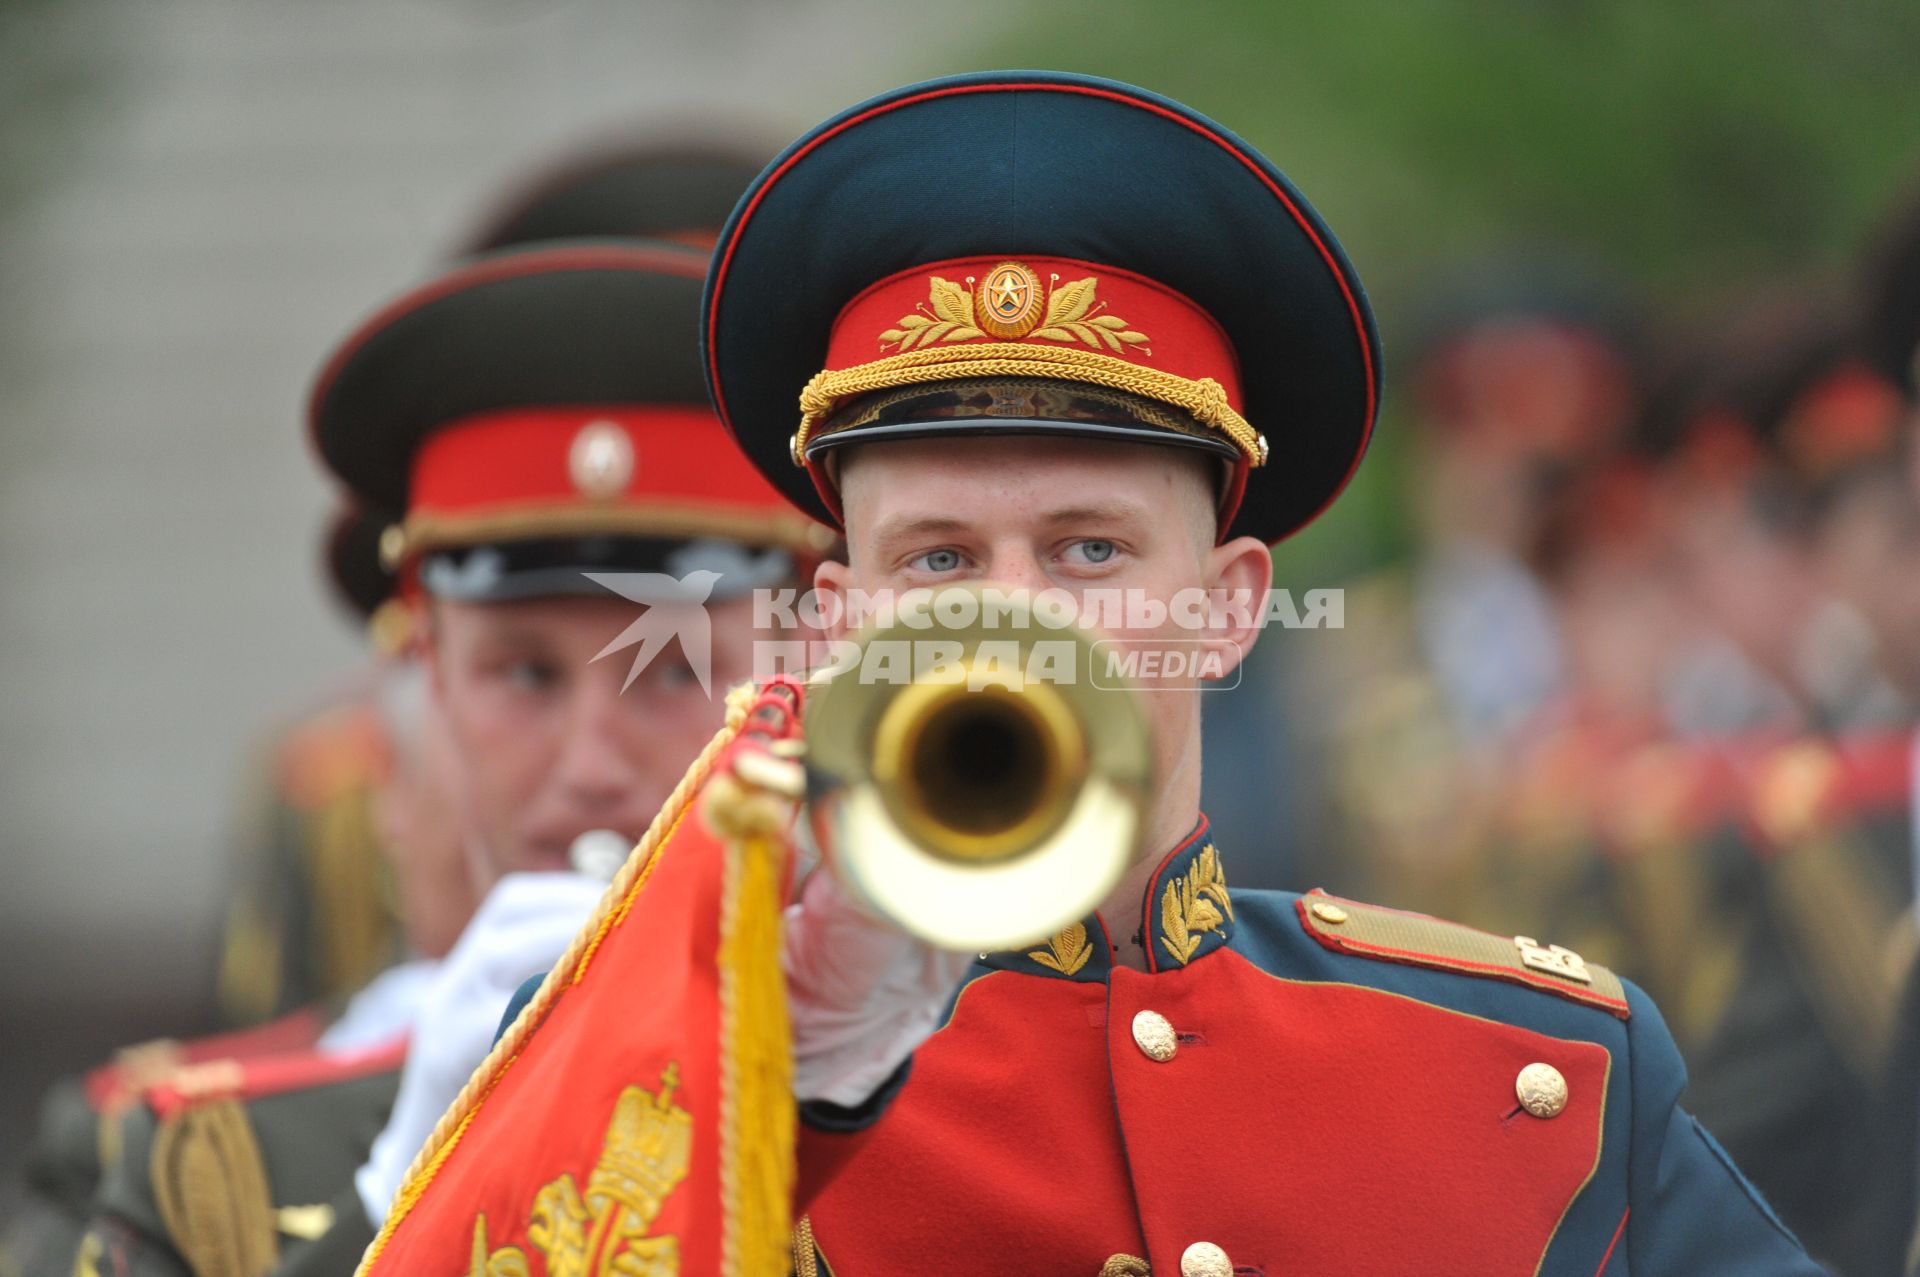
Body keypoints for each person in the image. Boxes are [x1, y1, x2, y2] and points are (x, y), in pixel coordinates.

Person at [412, 71, 1819, 1276]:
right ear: (838, 623)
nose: (1015, 621)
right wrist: (792, 1086)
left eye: (1088, 550)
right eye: (944, 561)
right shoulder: (735, 1090)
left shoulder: (1546, 1072)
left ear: (1227, 607)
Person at [70, 238, 826, 1277]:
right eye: (524, 676)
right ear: (426, 678)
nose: (593, 764)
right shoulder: (198, 1167)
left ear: (803, 660)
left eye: (669, 671)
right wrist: (392, 1200)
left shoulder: (931, 1096)